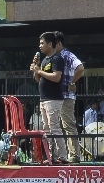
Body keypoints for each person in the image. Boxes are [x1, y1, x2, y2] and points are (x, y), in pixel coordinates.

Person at [31, 31, 66, 163]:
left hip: (54, 99)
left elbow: (57, 77)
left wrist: (39, 71)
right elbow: (37, 79)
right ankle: (51, 156)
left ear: (50, 44)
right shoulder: (45, 59)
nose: (40, 46)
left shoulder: (57, 58)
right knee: (47, 129)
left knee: (55, 127)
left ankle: (62, 156)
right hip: (44, 99)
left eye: (42, 43)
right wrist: (36, 68)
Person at [55, 31, 84, 163]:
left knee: (68, 125)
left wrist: (72, 82)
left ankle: (74, 155)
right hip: (58, 96)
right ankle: (62, 155)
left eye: (52, 44)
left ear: (59, 43)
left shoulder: (66, 55)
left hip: (65, 96)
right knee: (58, 127)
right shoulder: (56, 57)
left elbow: (80, 68)